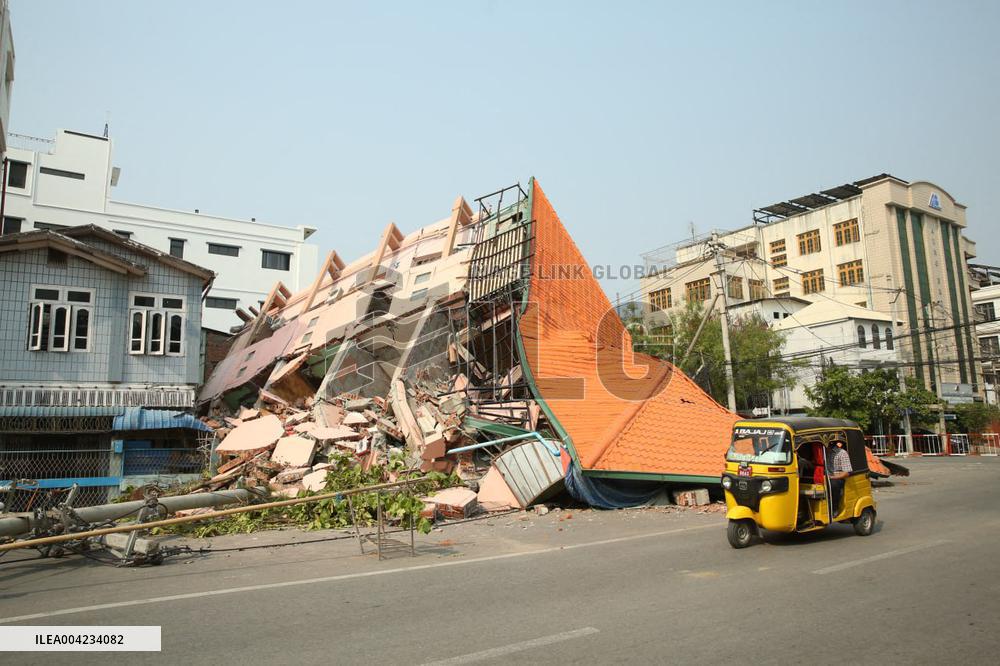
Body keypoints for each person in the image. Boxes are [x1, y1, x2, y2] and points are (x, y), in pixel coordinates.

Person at [826, 441, 852, 514]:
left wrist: (833, 477)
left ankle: (834, 508)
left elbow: (847, 472)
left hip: (838, 477)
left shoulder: (842, 453)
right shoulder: (825, 452)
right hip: (827, 476)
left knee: (833, 484)